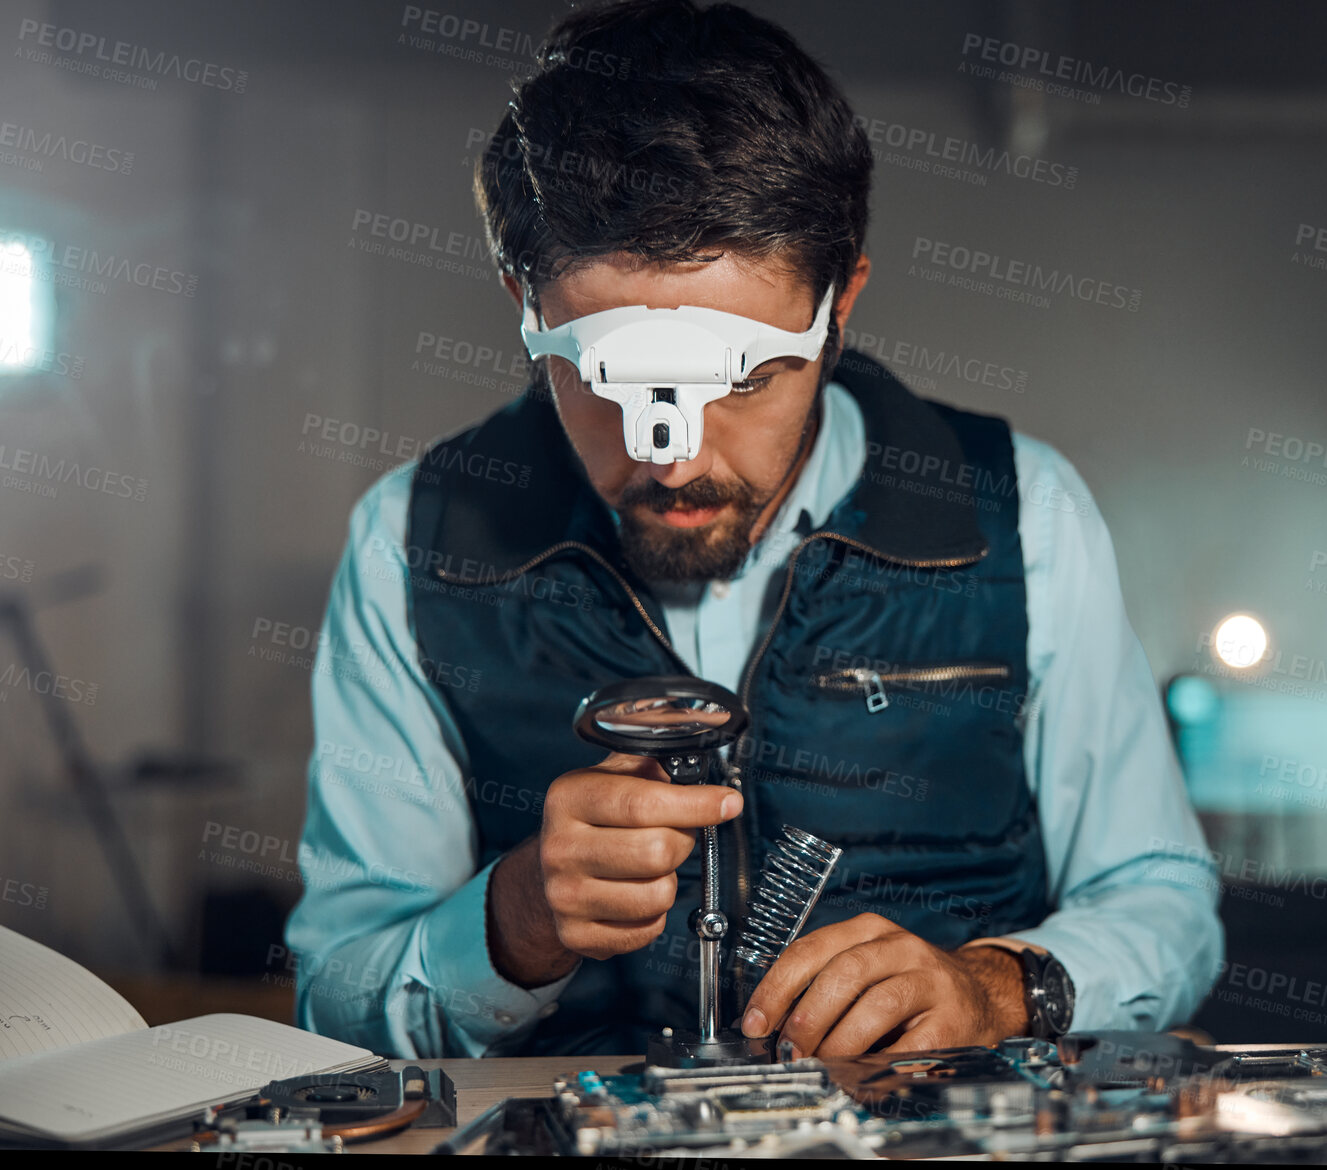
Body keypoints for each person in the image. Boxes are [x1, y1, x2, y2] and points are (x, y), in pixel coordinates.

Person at [284, 0, 1222, 1059]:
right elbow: (335, 1000)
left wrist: (999, 988)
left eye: (749, 381)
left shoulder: (1021, 514)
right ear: (523, 297)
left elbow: (1163, 901)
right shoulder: (412, 541)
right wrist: (511, 925)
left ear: (842, 298)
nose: (674, 460)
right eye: (609, 382)